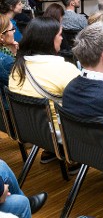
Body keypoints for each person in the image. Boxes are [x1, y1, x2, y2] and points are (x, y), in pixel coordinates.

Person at [8, 16, 81, 165]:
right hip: (60, 135)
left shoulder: (17, 68)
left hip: (30, 131)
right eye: (59, 35)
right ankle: (74, 158)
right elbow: (86, 102)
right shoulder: (64, 69)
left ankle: (52, 151)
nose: (62, 38)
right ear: (49, 40)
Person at [0, 16, 18, 107]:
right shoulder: (5, 60)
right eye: (12, 29)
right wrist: (15, 55)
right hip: (8, 108)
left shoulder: (4, 53)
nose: (14, 31)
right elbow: (19, 85)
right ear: (1, 37)